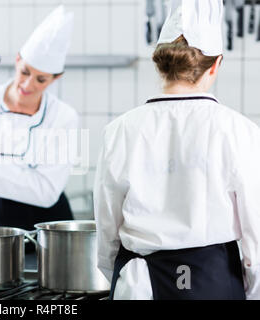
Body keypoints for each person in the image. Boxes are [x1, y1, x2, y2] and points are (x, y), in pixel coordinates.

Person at [94, 0, 260, 300]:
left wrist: (119, 277)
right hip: (215, 282)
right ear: (217, 64)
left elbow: (107, 229)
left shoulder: (119, 130)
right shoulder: (240, 132)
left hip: (139, 284)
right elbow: (255, 235)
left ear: (160, 63)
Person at [0, 6, 79, 231]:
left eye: (41, 79)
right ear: (18, 60)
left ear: (56, 79)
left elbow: (46, 192)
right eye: (25, 72)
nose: (28, 85)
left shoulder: (63, 117)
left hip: (50, 226)